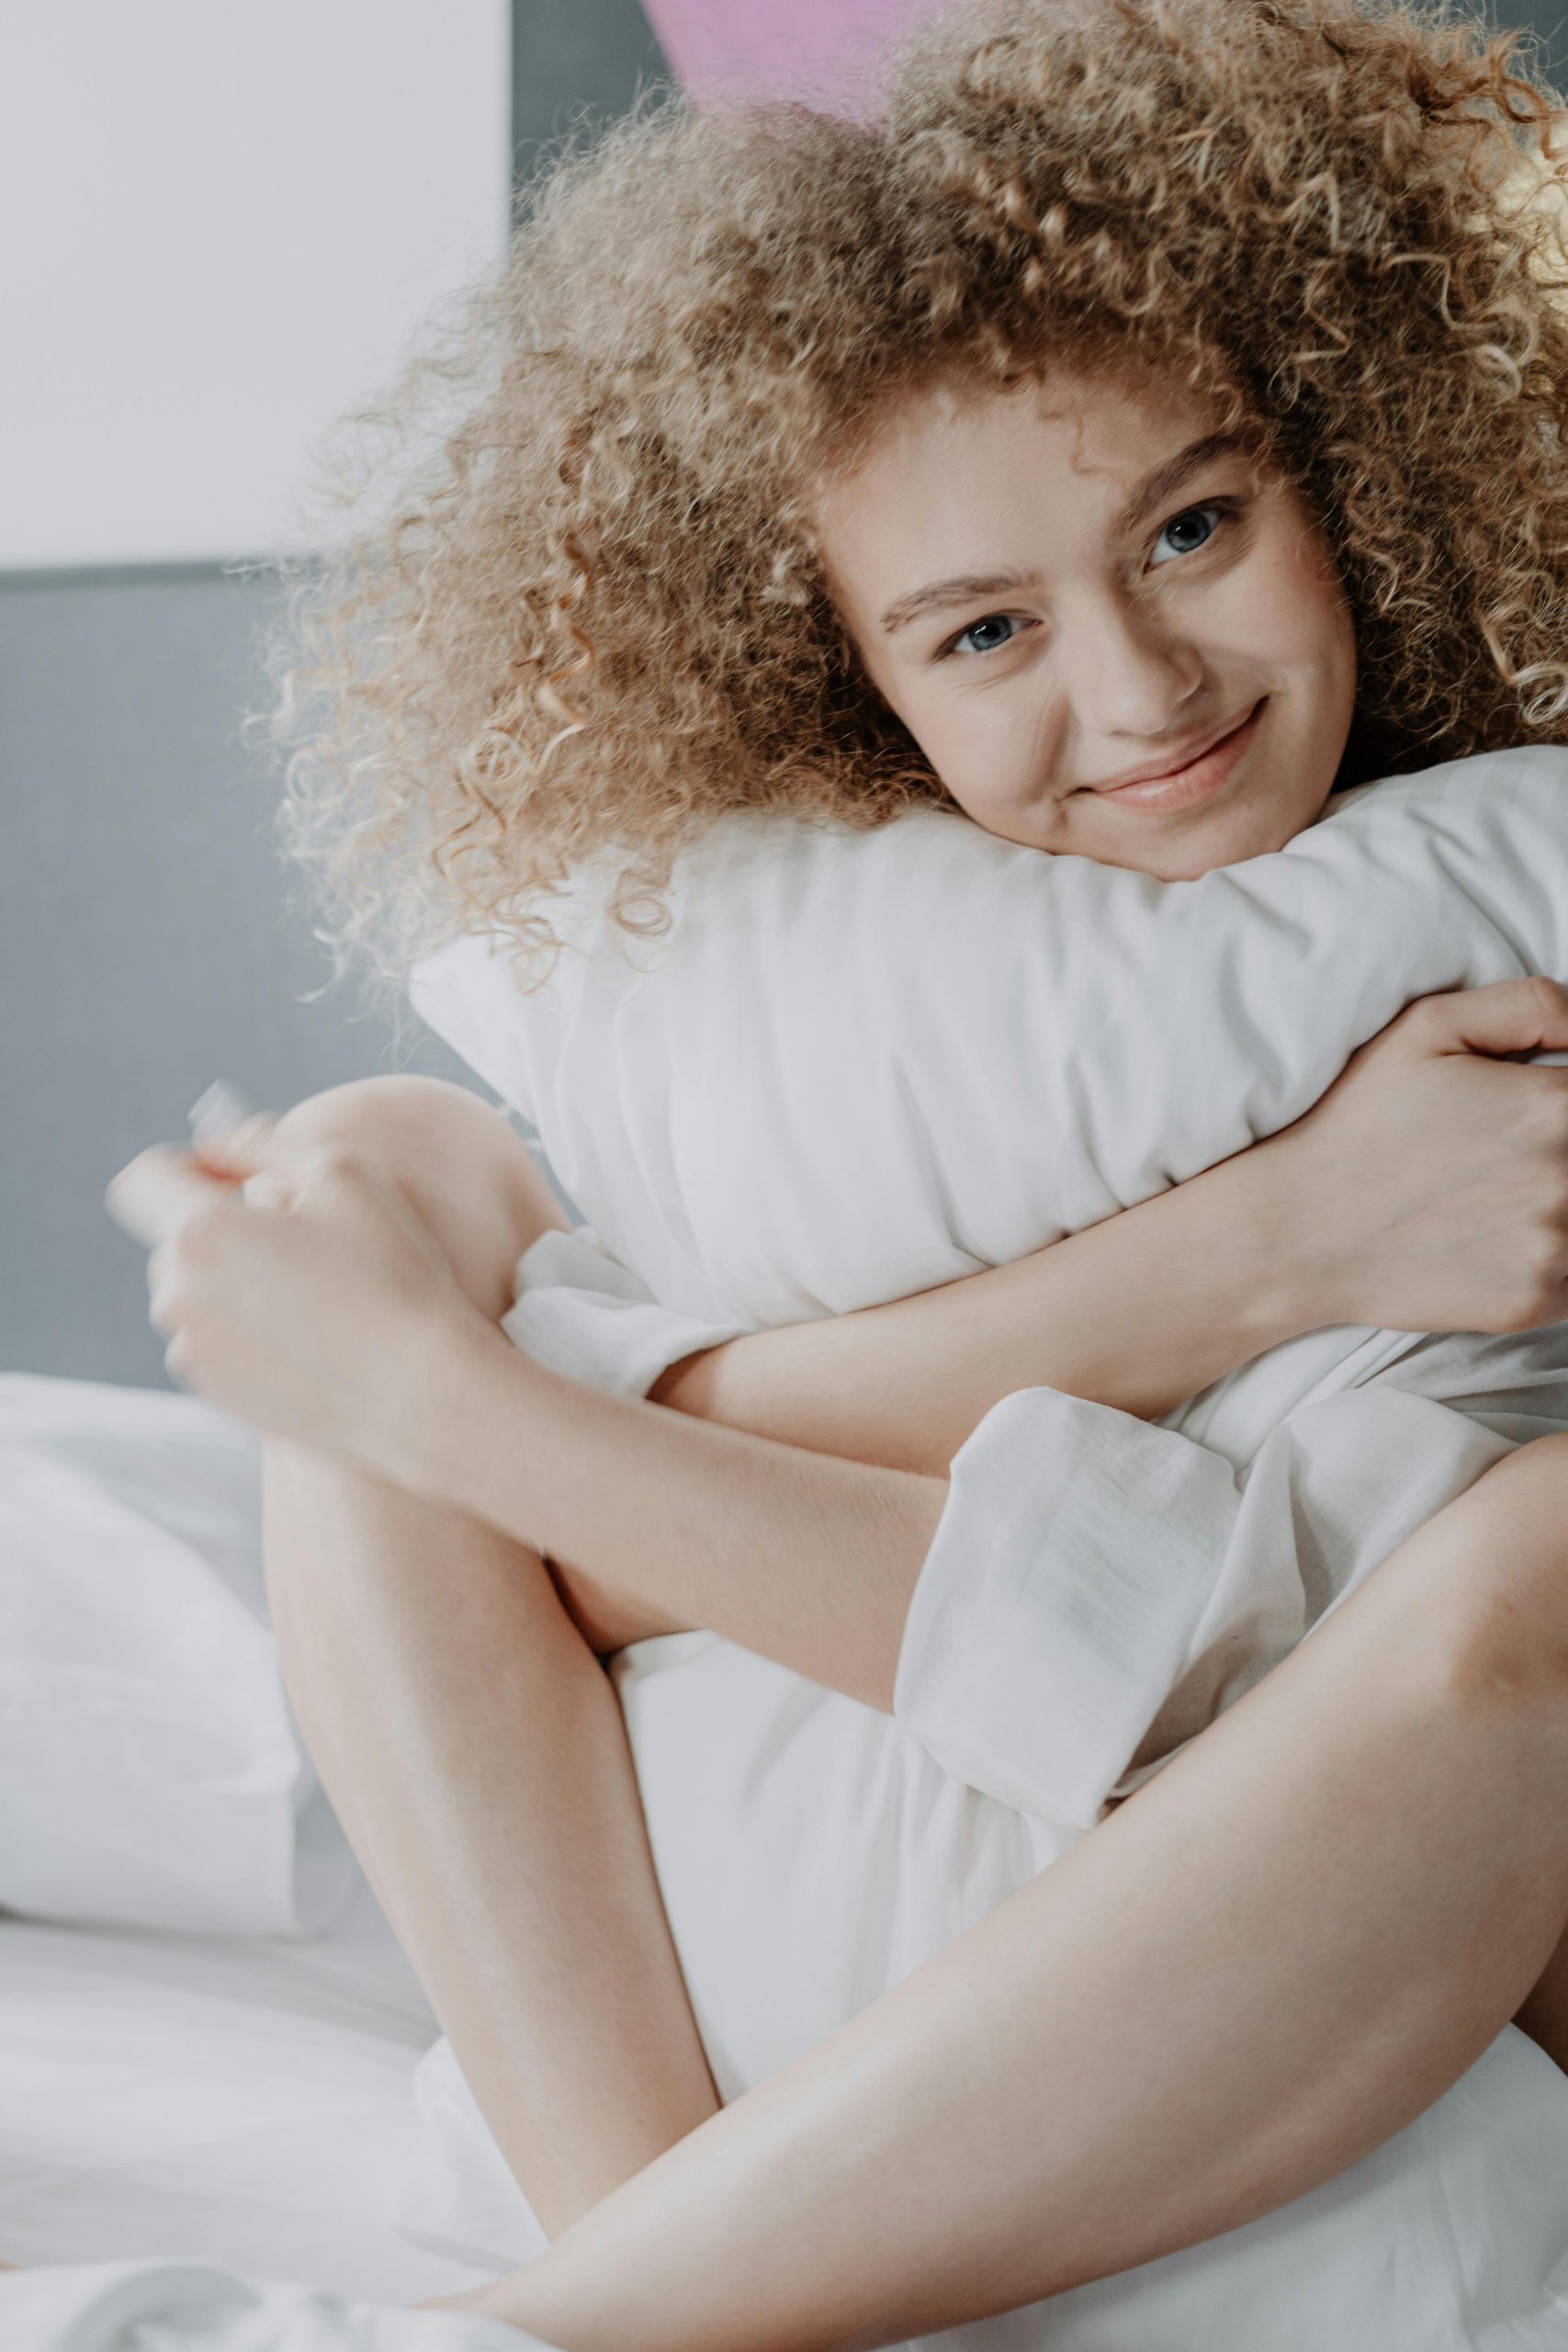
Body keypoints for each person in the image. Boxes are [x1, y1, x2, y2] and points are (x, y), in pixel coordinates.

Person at [115, 0, 1568, 2343]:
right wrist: (1267, 1243)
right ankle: (637, 2261)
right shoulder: (865, 1010)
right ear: (834, 682)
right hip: (998, 1869)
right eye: (983, 630)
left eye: (1193, 524)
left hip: (1388, 1858)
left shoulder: (1500, 922)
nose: (1138, 691)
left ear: (1346, 460)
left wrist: (464, 1426)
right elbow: (602, 1568)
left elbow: (1215, 1701)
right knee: (366, 1173)